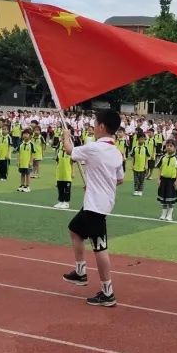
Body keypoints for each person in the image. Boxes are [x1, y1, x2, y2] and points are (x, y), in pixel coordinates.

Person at [60, 108, 125, 307]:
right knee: (74, 229)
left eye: (95, 123)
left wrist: (65, 135)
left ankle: (108, 292)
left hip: (96, 206)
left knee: (100, 248)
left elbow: (70, 150)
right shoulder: (116, 152)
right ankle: (80, 272)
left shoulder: (94, 147)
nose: (93, 126)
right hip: (97, 202)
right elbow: (119, 180)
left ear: (102, 126)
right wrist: (96, 180)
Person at [157, 138, 177, 221]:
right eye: (167, 146)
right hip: (163, 180)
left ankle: (170, 214)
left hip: (172, 181)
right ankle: (163, 214)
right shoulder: (163, 158)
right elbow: (160, 168)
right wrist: (158, 179)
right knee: (163, 198)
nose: (168, 147)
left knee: (171, 199)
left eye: (171, 146)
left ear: (175, 148)